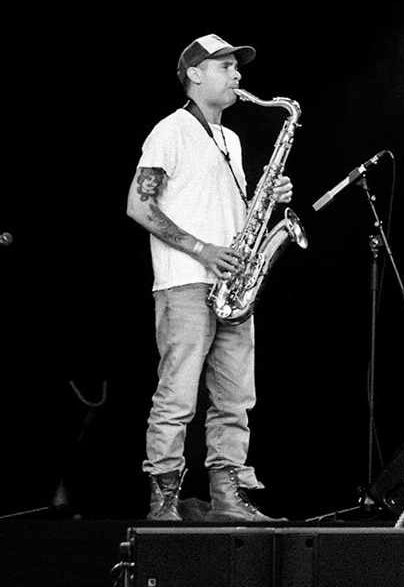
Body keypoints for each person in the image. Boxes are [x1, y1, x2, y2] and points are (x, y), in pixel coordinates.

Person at [126, 34, 292, 523]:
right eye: (225, 66)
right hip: (186, 283)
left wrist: (268, 199)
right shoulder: (170, 131)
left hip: (233, 286)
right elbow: (139, 205)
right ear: (195, 74)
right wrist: (203, 250)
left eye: (237, 67)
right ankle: (163, 501)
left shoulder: (231, 140)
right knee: (177, 397)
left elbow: (228, 214)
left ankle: (227, 497)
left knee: (236, 400)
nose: (237, 75)